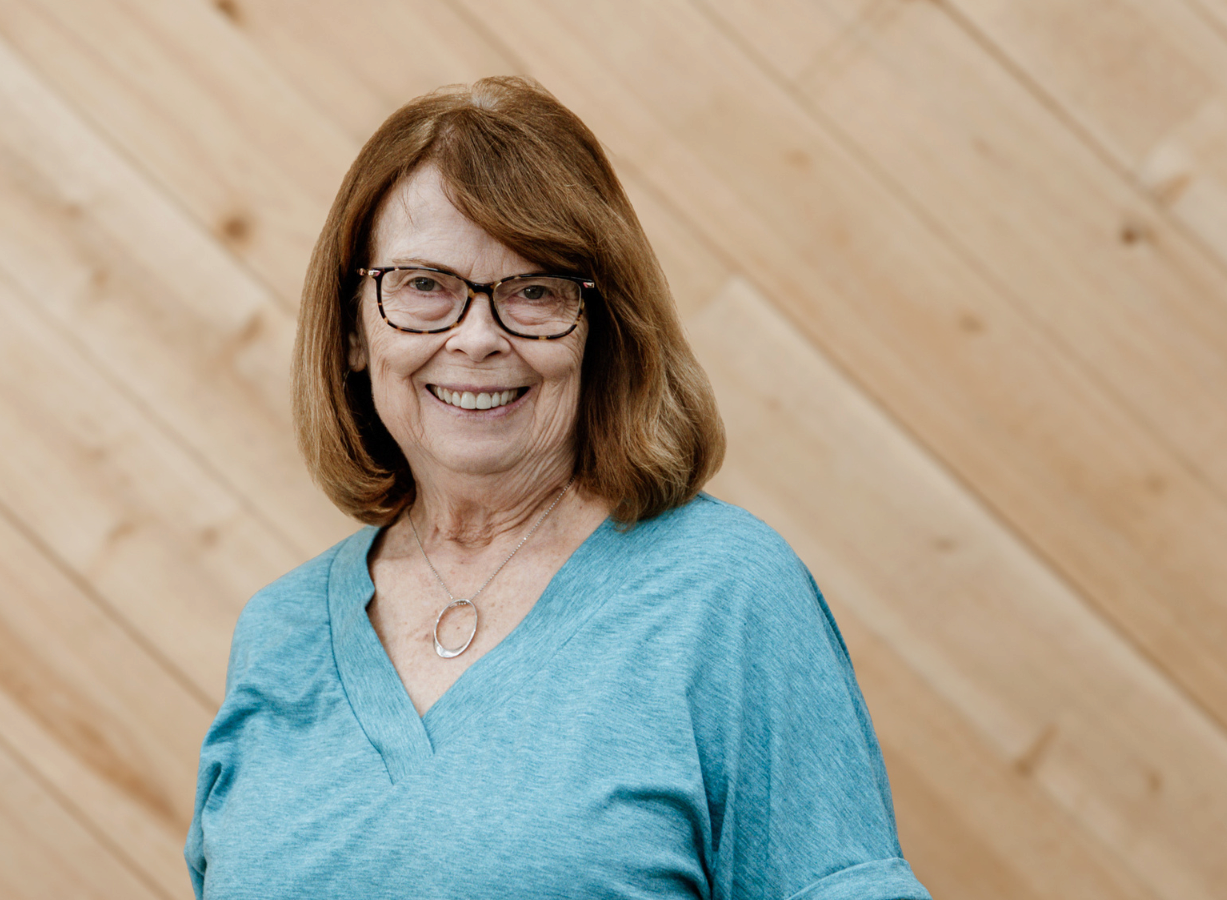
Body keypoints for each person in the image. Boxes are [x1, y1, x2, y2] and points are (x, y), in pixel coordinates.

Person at [184, 77, 931, 900]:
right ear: (354, 328)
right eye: (424, 286)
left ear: (598, 329)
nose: (475, 338)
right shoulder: (278, 633)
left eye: (533, 291)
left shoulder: (725, 594)